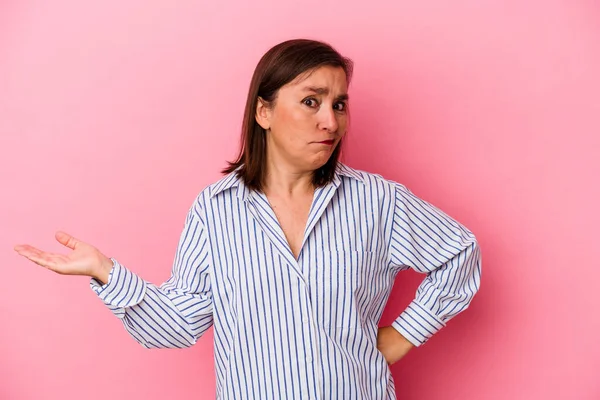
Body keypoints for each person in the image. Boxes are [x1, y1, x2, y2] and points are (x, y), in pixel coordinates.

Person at [14, 38, 482, 399]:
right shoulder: (216, 211)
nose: (331, 122)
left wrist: (401, 337)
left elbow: (459, 253)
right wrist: (106, 272)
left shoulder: (378, 202)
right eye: (311, 101)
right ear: (264, 111)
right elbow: (175, 326)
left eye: (339, 104)